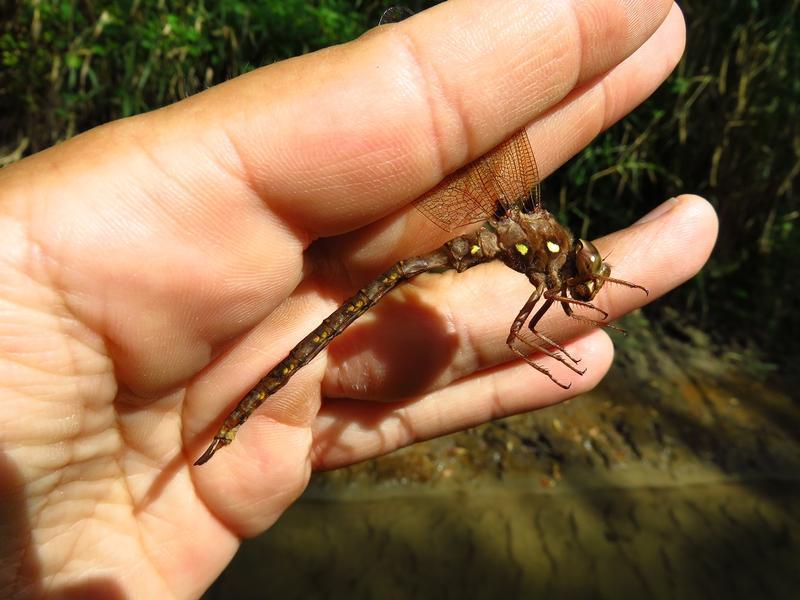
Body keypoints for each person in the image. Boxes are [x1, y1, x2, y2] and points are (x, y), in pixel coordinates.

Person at [0, 1, 716, 598]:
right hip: (410, 267)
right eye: (587, 272)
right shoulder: (543, 246)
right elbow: (528, 332)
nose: (585, 280)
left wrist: (565, 328)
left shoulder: (552, 261)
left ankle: (230, 423)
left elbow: (532, 323)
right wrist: (555, 349)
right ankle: (233, 420)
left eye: (586, 277)